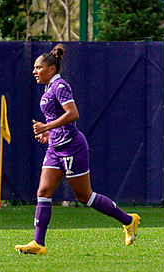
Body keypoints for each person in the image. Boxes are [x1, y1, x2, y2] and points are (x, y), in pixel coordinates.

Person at [15, 44, 140, 255]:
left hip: (72, 147)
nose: (34, 71)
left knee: (85, 197)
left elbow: (72, 114)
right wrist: (48, 134)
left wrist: (46, 126)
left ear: (52, 69)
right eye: (34, 68)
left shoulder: (60, 86)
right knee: (43, 192)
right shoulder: (48, 88)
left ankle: (129, 220)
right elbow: (57, 119)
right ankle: (38, 243)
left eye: (38, 67)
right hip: (55, 148)